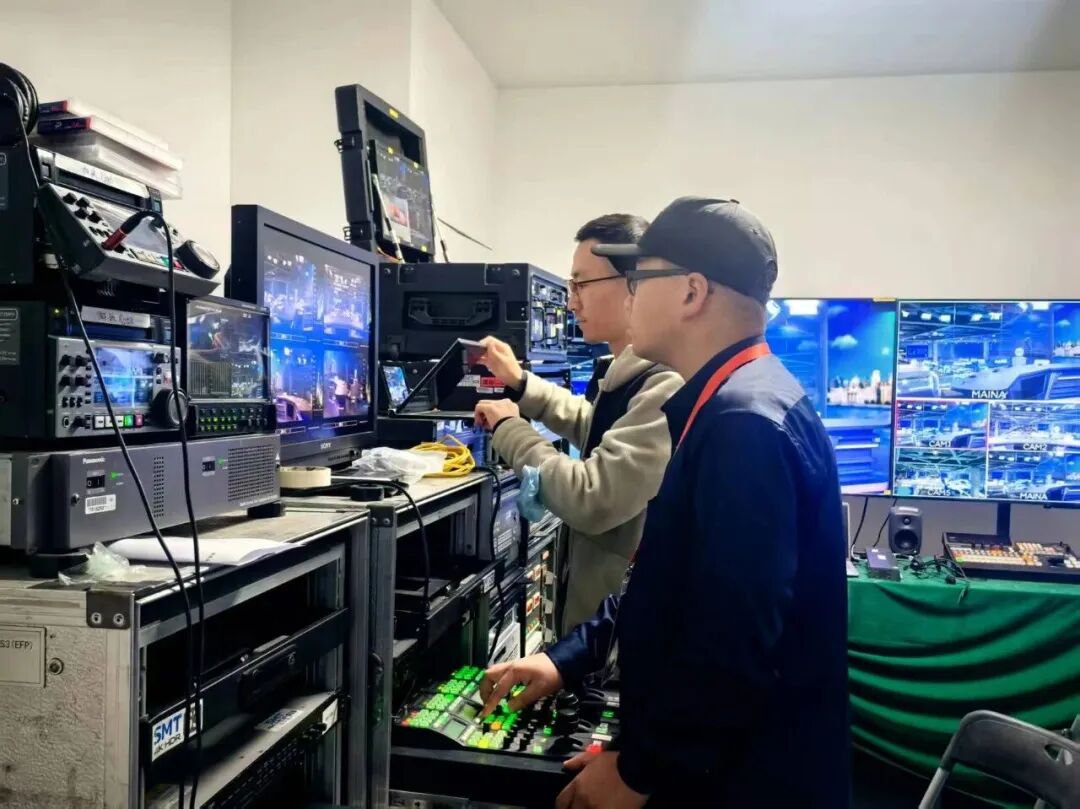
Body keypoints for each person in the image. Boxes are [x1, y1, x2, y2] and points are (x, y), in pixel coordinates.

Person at [479, 198, 849, 807]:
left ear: (691, 293)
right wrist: (564, 661)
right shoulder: (728, 401)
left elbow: (729, 641)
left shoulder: (744, 426)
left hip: (743, 783)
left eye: (641, 280)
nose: (630, 297)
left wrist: (640, 772)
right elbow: (671, 584)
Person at [473, 214, 683, 632]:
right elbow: (595, 427)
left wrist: (509, 430)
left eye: (580, 285)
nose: (572, 303)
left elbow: (592, 496)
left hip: (616, 637)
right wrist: (521, 383)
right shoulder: (630, 373)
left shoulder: (666, 382)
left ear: (633, 284)